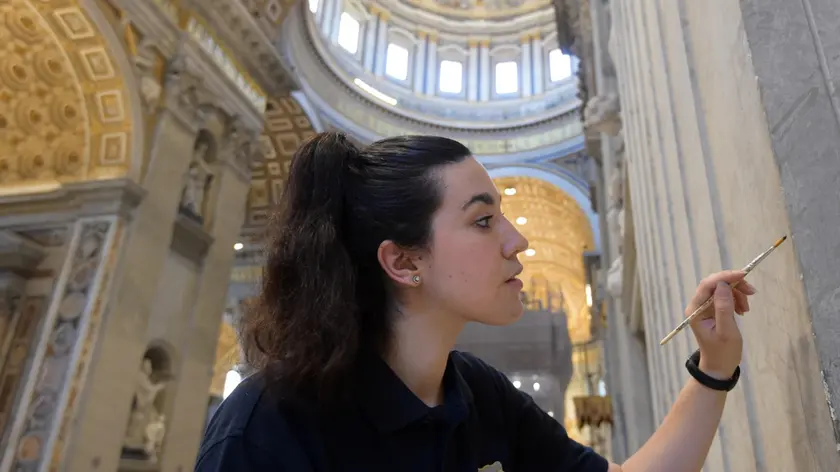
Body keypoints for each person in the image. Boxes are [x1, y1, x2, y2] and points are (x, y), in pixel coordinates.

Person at [195, 132, 755, 471]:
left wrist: (715, 366)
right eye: (483, 221)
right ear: (404, 262)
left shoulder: (479, 394)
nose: (519, 241)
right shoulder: (266, 430)